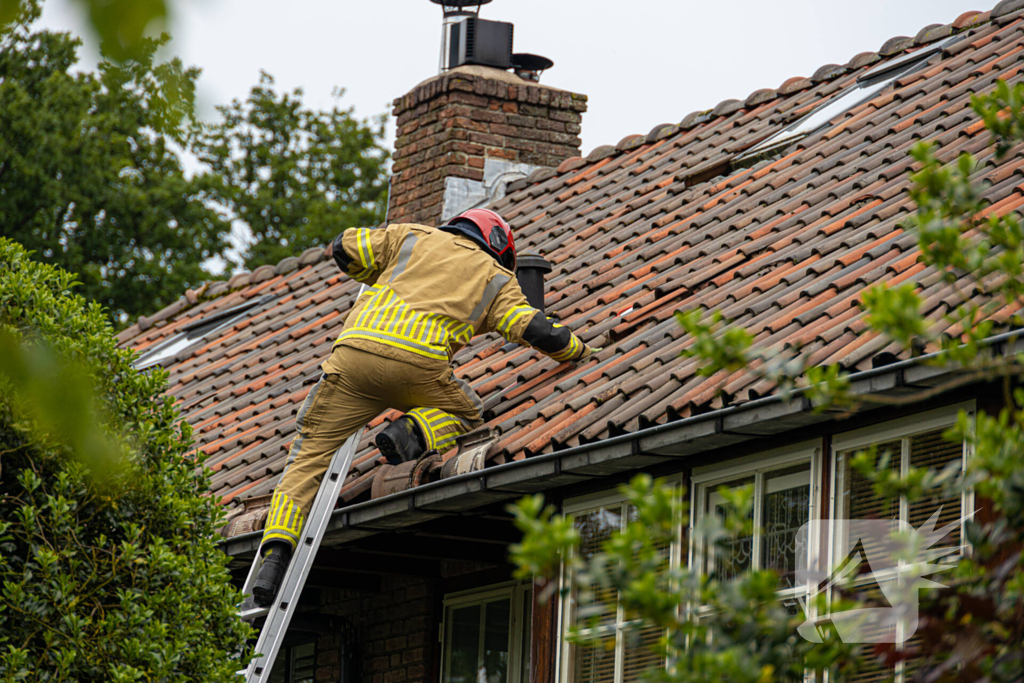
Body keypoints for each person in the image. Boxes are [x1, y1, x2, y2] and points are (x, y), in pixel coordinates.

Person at [252, 209, 595, 606]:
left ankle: (275, 556)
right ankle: (413, 432)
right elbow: (535, 329)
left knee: (307, 457)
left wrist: (373, 275)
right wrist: (580, 349)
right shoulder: (496, 277)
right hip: (419, 368)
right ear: (500, 248)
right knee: (470, 419)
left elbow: (345, 247)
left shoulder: (409, 236)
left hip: (353, 357)